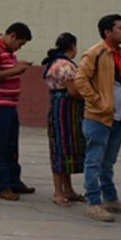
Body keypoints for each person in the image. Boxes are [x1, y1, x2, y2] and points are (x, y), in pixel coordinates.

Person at [74, 14, 121, 222]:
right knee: (94, 161)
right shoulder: (95, 53)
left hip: (117, 118)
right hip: (98, 117)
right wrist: (96, 101)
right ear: (108, 32)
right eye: (120, 28)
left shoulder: (119, 53)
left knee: (108, 162)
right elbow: (80, 80)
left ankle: (110, 198)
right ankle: (93, 202)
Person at [0, 23, 35, 201]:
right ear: (12, 36)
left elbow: (5, 70)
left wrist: (17, 66)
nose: (20, 47)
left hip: (9, 105)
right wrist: (15, 70)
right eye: (20, 43)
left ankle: (13, 181)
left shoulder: (8, 52)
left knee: (11, 146)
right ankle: (1, 185)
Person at [42, 32, 87, 207]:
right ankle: (58, 192)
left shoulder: (54, 63)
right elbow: (74, 91)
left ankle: (67, 189)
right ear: (72, 47)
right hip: (65, 111)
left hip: (59, 108)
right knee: (61, 148)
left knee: (63, 148)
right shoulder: (65, 66)